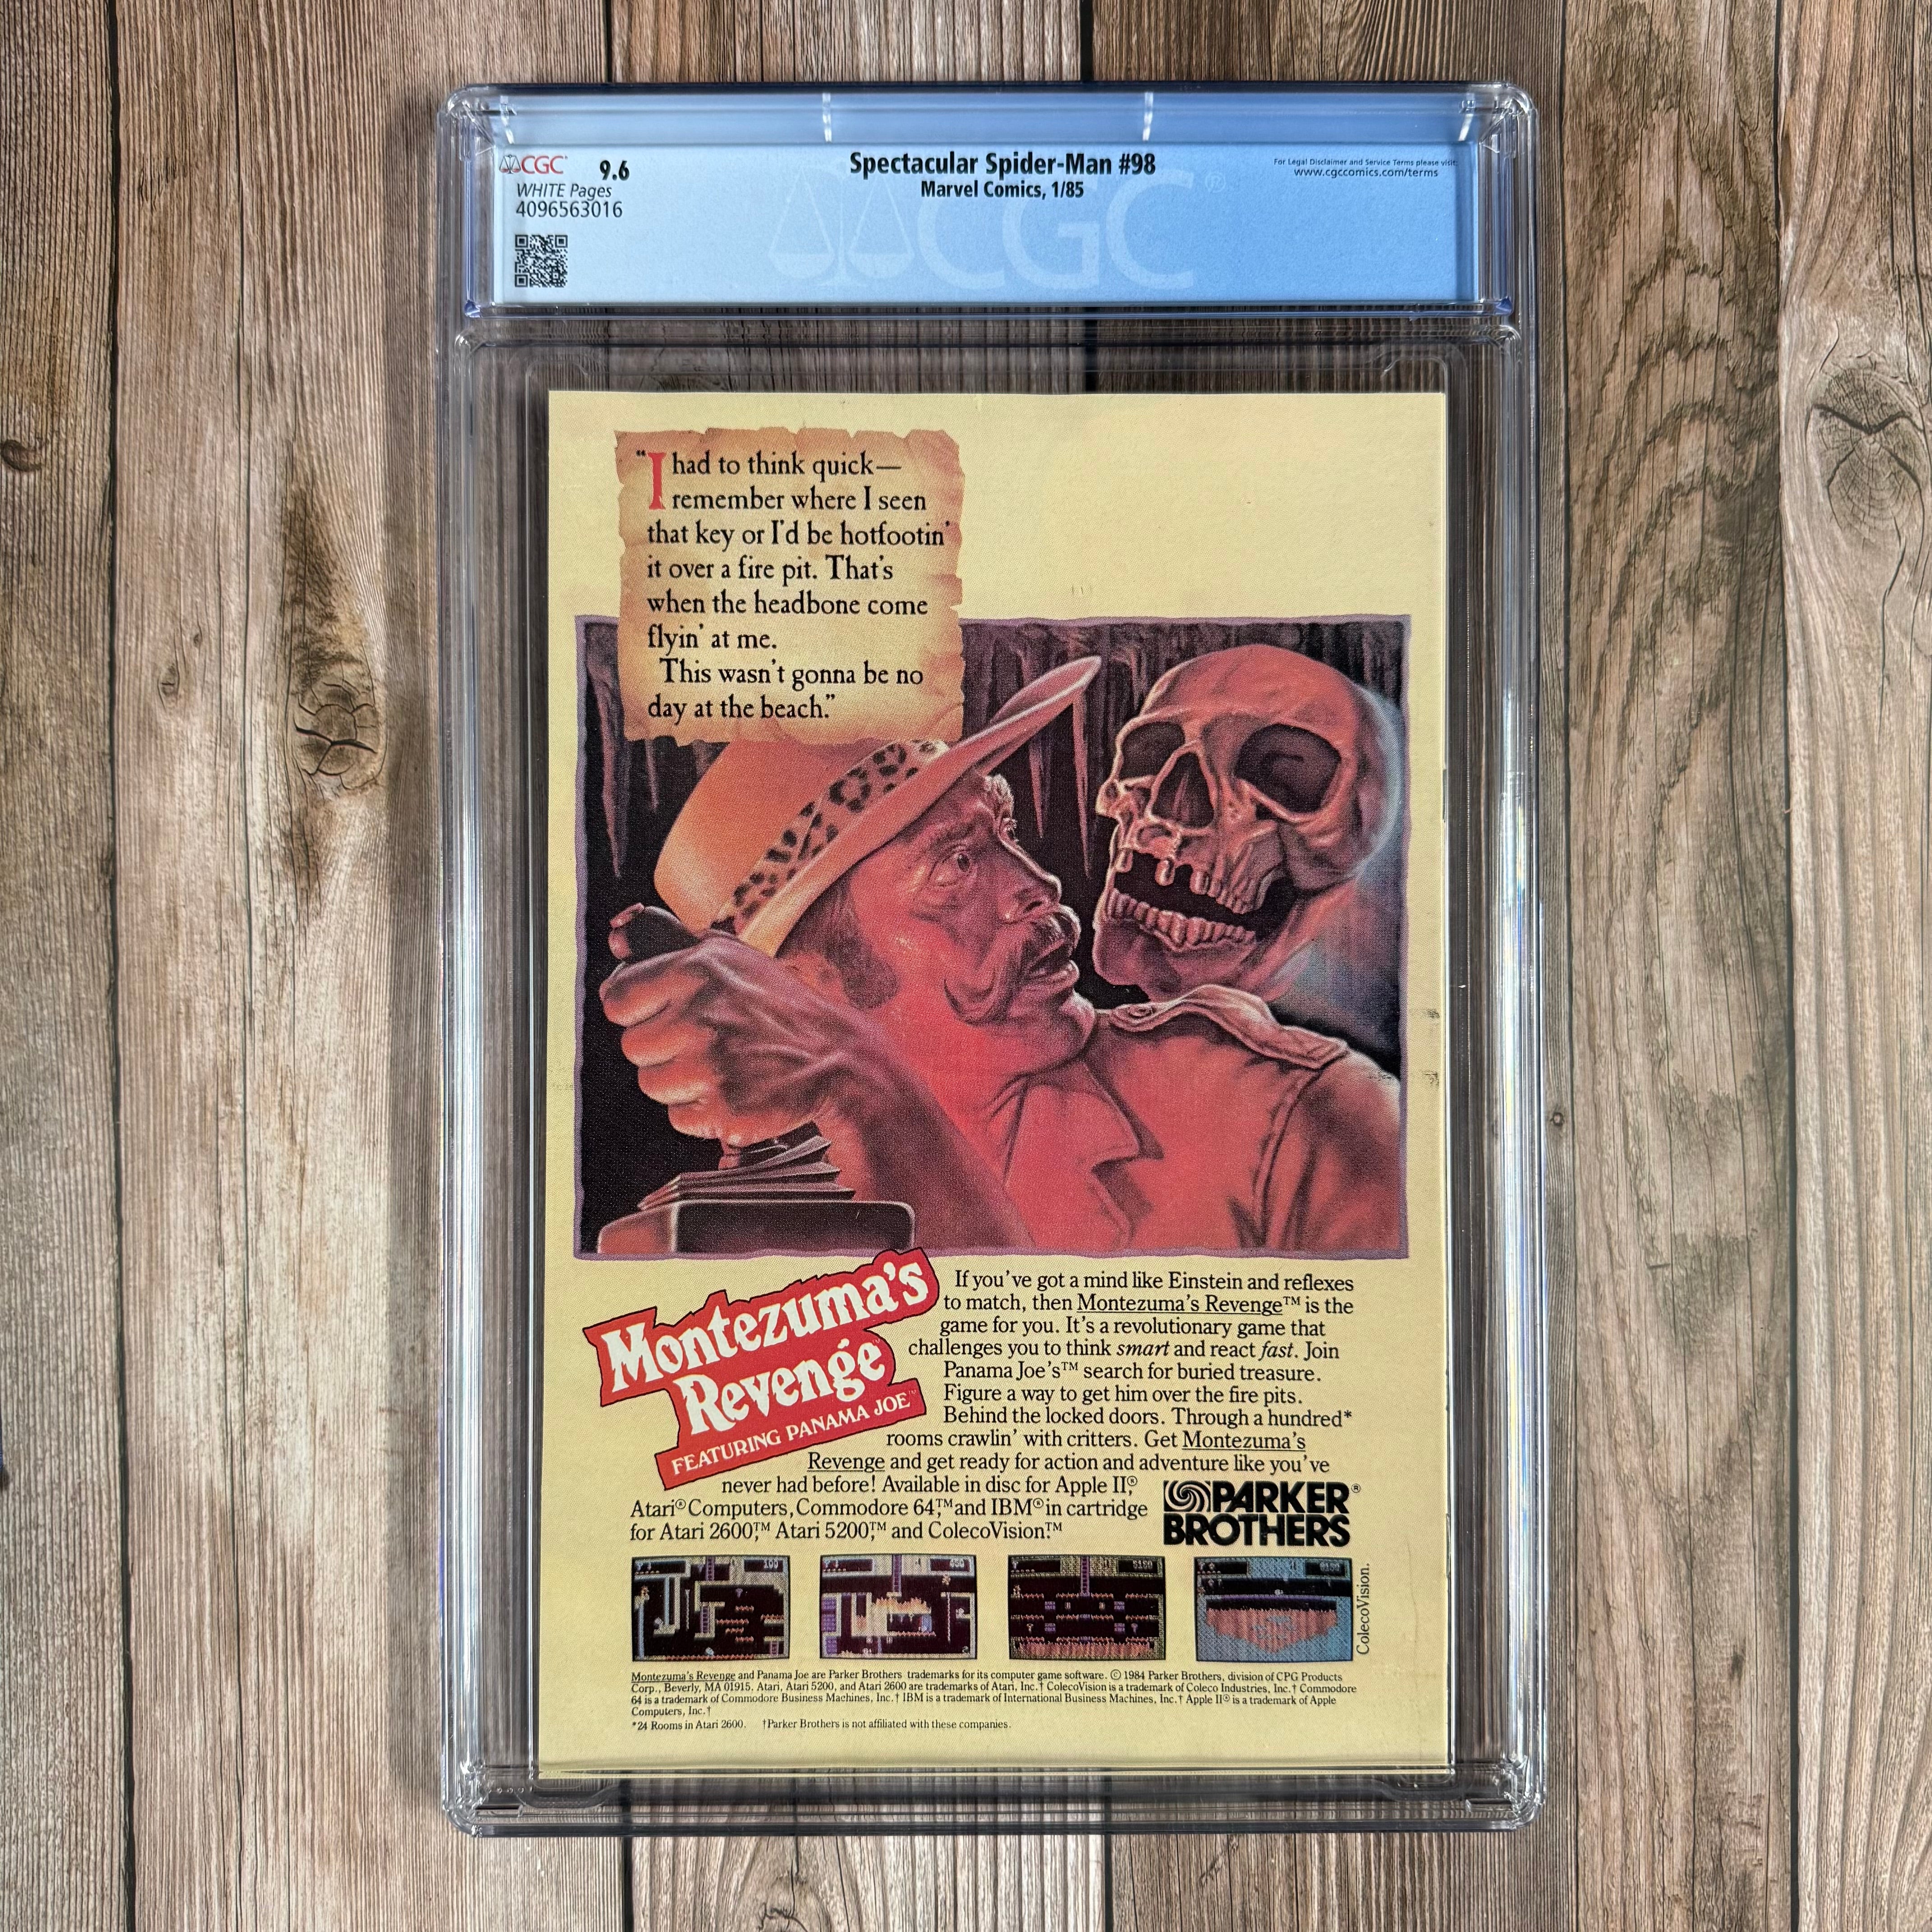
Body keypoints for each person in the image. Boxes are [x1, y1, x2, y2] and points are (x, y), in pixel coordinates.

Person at [598, 659, 1403, 1256]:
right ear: (806, 987)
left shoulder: (1289, 1118)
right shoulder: (723, 1235)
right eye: (958, 864)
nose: (1039, 886)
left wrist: (885, 1103)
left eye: (1006, 836)